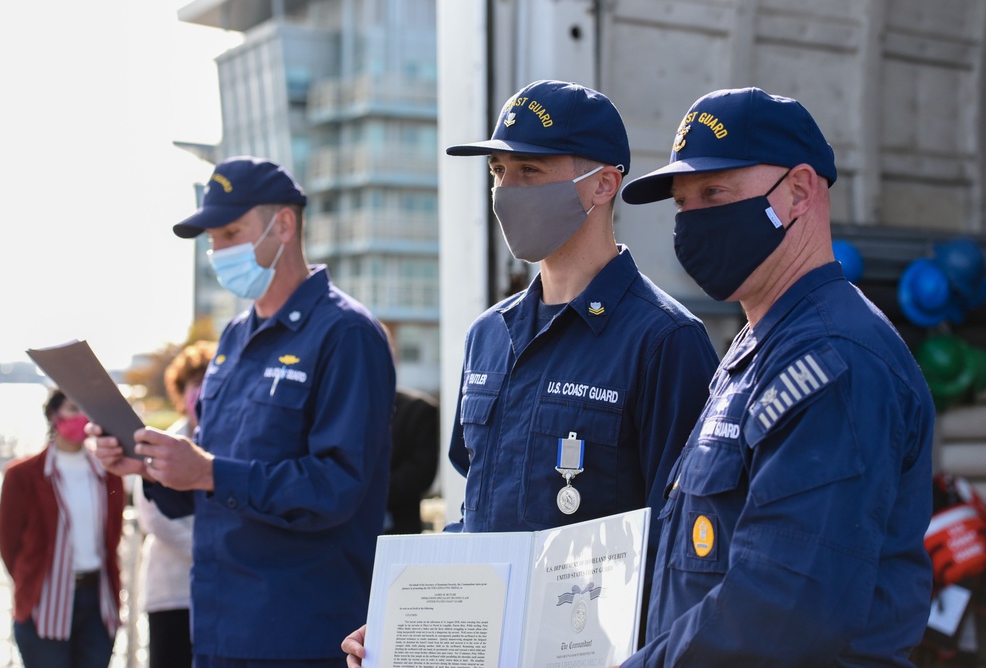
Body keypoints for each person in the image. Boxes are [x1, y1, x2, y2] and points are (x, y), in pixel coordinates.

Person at [343, 80, 719, 666]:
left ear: (602, 184)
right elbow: (479, 515)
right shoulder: (488, 337)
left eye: (530, 172)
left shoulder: (665, 341)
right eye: (498, 173)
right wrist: (406, 617)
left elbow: (683, 547)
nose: (506, 192)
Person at [617, 87, 935, 666]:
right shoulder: (759, 348)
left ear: (798, 192)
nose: (692, 223)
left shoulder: (835, 359)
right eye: (683, 205)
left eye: (714, 193)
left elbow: (786, 605)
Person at [93, 156, 396, 668]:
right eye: (212, 239)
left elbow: (336, 488)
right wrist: (153, 467)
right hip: (217, 628)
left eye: (231, 232)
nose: (218, 251)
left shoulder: (347, 335)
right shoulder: (233, 338)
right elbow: (216, 485)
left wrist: (210, 472)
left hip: (303, 636)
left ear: (284, 224)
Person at [0, 388, 124, 668]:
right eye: (71, 408)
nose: (80, 417)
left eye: (85, 410)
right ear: (54, 415)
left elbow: (112, 535)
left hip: (97, 601)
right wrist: (31, 580)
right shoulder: (22, 475)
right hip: (44, 603)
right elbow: (9, 544)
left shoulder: (109, 473)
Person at [133, 340, 215, 668]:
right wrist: (220, 549)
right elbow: (155, 518)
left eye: (212, 382)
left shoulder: (232, 444)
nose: (204, 392)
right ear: (181, 392)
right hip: (173, 593)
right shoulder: (162, 442)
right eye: (196, 384)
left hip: (223, 593)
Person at [385, 386, 439, 534]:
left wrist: (372, 492)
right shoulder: (344, 409)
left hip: (399, 528)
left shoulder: (417, 409)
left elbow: (421, 472)